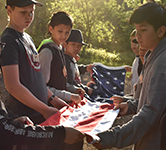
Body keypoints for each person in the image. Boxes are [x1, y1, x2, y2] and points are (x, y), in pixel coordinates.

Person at [92, 2, 166, 150]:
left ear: (160, 31)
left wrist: (113, 137)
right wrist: (131, 105)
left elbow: (152, 112)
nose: (137, 35)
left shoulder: (162, 62)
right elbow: (151, 99)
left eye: (143, 29)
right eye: (136, 29)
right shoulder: (151, 55)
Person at [0, 39, 84, 149]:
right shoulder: (46, 50)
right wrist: (58, 134)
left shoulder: (26, 39)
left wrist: (12, 120)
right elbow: (6, 135)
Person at [1, 0, 72, 125]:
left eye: (31, 12)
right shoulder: (9, 41)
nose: (29, 16)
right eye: (23, 12)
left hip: (39, 111)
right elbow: (13, 86)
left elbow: (37, 77)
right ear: (9, 10)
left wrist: (52, 98)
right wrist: (44, 109)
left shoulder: (27, 38)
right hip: (23, 115)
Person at [38, 11, 84, 104]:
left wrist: (73, 89)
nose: (64, 36)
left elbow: (60, 81)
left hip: (59, 100)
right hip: (47, 104)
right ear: (51, 29)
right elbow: (41, 87)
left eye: (67, 32)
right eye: (60, 31)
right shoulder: (47, 52)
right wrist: (69, 96)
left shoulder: (60, 49)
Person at [64, 29, 94, 95]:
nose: (76, 48)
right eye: (73, 44)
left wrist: (85, 68)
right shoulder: (64, 61)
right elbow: (71, 82)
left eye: (79, 46)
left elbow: (74, 70)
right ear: (65, 44)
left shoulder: (71, 58)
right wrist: (86, 89)